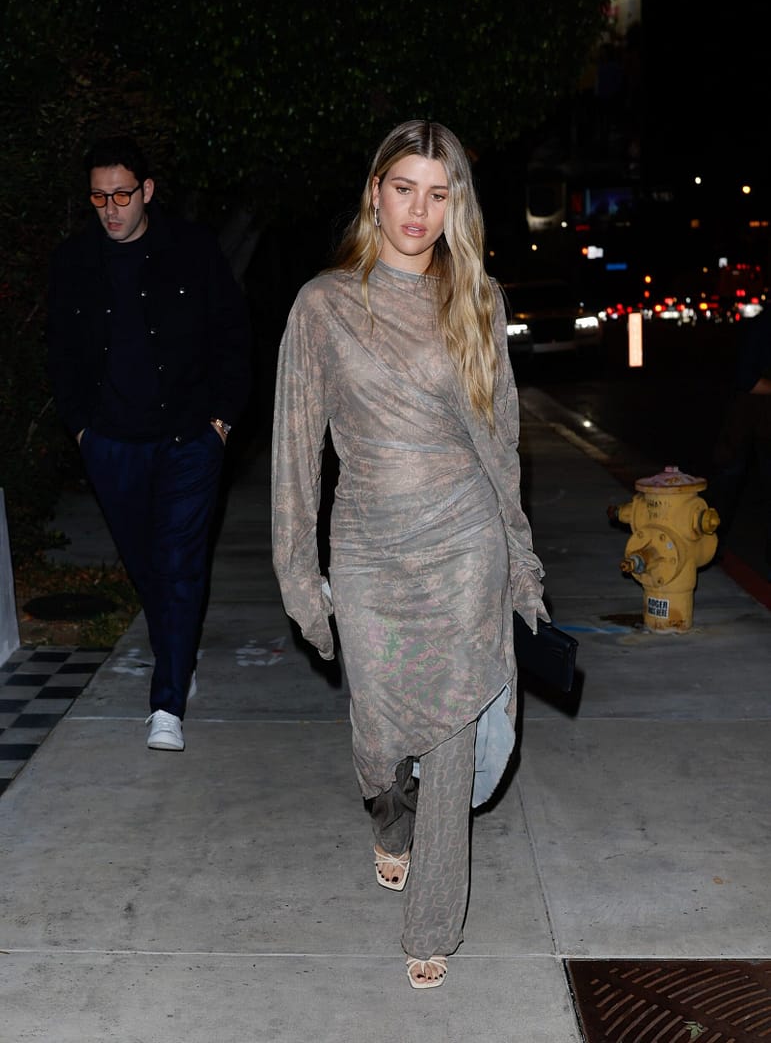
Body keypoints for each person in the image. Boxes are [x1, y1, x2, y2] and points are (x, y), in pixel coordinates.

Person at [271, 120, 548, 989]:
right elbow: (293, 455)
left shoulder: (476, 299)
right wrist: (299, 579)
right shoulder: (323, 305)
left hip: (464, 545)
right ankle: (390, 821)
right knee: (380, 740)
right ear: (375, 193)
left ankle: (431, 924)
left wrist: (520, 559)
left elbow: (501, 445)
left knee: (453, 732)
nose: (419, 211)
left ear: (455, 205)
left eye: (438, 194)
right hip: (368, 549)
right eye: (404, 189)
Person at [46, 135, 251, 751]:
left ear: (147, 191)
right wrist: (82, 429)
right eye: (99, 197)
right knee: (145, 566)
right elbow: (60, 354)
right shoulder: (74, 261)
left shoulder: (192, 249)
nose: (111, 209)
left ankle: (167, 704)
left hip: (189, 438)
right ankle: (177, 658)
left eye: (122, 195)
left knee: (180, 565)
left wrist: (220, 422)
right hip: (111, 442)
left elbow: (233, 335)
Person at [708, 306, 771, 581]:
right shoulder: (763, 326)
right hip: (747, 420)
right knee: (728, 481)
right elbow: (746, 379)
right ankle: (709, 546)